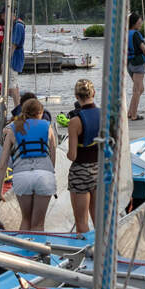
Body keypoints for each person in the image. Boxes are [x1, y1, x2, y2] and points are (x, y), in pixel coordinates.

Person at [6, 95, 57, 231]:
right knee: (38, 224)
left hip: (22, 176)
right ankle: (38, 251)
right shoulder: (48, 127)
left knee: (26, 219)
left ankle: (23, 251)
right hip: (44, 175)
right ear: (41, 113)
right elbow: (53, 153)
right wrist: (51, 172)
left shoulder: (13, 128)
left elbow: (2, 165)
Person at [64, 78, 101, 235]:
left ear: (76, 96)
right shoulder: (105, 115)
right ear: (93, 93)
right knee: (98, 219)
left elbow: (72, 156)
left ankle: (86, 253)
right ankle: (102, 251)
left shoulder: (75, 121)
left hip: (81, 172)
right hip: (99, 169)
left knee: (81, 222)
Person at [125, 12, 145, 120]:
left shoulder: (126, 33)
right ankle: (134, 115)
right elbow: (143, 48)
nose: (140, 24)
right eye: (139, 22)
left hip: (129, 63)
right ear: (134, 23)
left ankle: (130, 112)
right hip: (138, 63)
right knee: (137, 90)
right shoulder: (136, 34)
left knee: (140, 88)